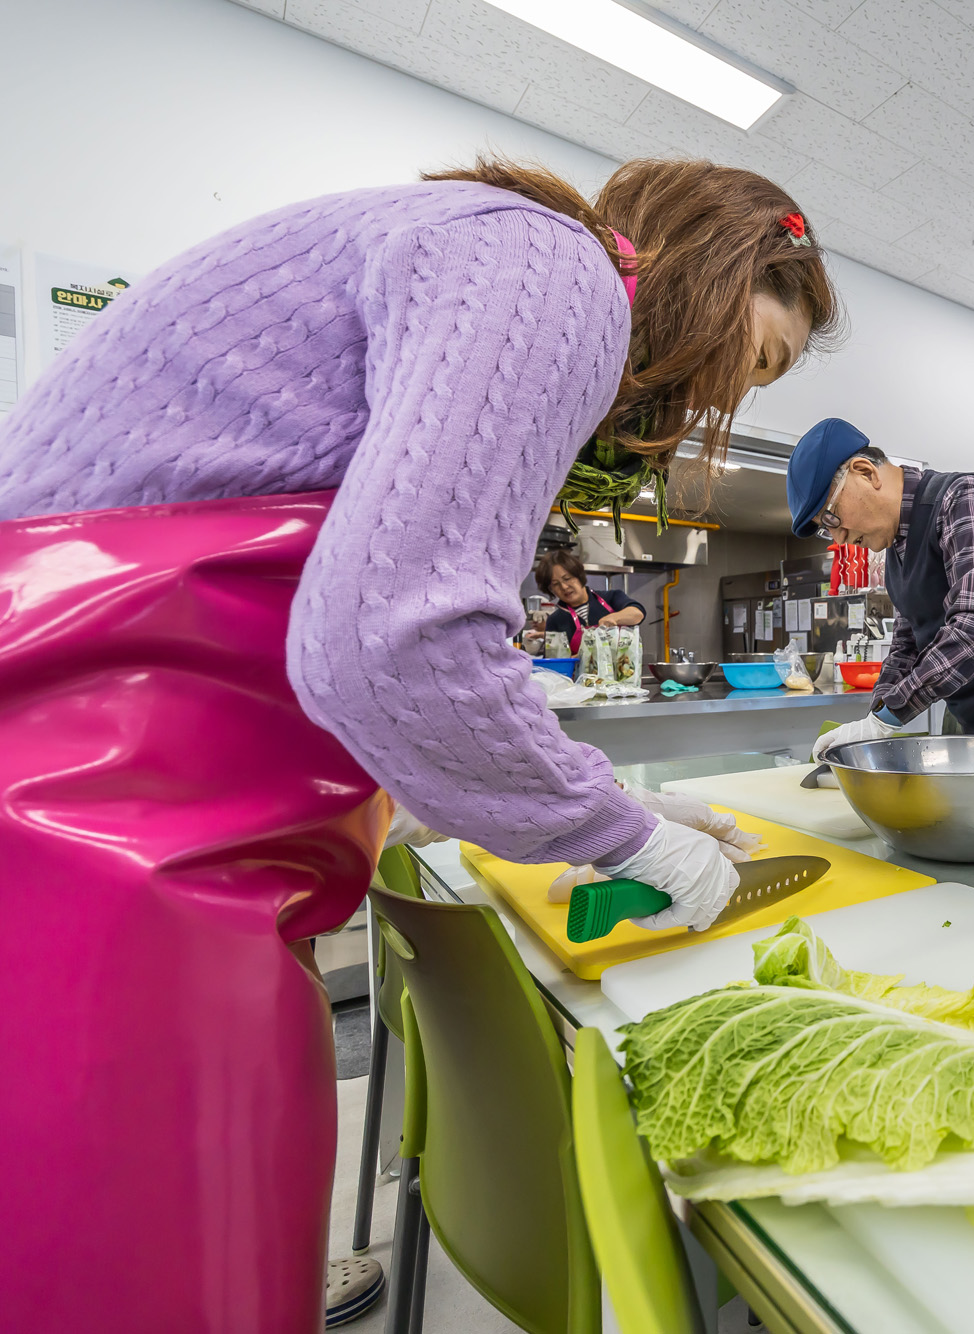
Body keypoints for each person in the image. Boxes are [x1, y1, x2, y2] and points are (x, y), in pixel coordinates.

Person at [0, 156, 834, 1331]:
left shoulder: (472, 244)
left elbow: (372, 621)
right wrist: (620, 829)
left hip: (101, 772)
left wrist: (590, 792)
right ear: (709, 275)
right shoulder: (554, 269)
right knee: (143, 1265)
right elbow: (399, 645)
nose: (722, 399)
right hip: (97, 795)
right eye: (755, 360)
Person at [787, 419, 974, 756]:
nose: (839, 537)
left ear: (866, 472)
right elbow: (908, 644)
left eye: (832, 518)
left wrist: (893, 715)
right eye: (825, 530)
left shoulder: (964, 501)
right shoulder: (896, 549)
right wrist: (874, 720)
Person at [537, 546, 645, 652]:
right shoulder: (555, 620)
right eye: (556, 584)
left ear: (579, 575)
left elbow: (637, 613)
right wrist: (583, 657)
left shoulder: (611, 598)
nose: (564, 587)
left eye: (567, 579)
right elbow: (555, 662)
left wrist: (614, 618)